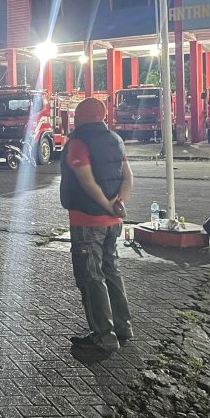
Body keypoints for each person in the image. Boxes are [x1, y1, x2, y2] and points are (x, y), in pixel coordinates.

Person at [60, 97, 134, 353]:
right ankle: (123, 327)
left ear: (78, 118)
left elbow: (87, 182)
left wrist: (105, 204)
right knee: (111, 272)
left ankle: (103, 335)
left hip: (87, 220)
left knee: (91, 278)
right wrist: (118, 203)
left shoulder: (78, 143)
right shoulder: (115, 140)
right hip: (113, 221)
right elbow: (128, 177)